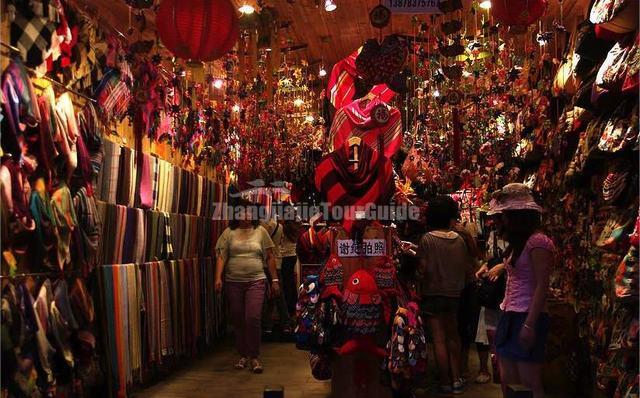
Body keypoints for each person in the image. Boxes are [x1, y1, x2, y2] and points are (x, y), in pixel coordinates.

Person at [491, 184, 555, 398]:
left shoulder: (539, 241)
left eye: (506, 214)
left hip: (527, 315)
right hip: (510, 312)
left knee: (529, 380)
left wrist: (530, 323)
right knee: (509, 377)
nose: (503, 219)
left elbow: (541, 285)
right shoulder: (520, 243)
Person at [418, 195, 475, 396]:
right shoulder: (459, 239)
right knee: (453, 336)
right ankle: (457, 379)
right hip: (454, 295)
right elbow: (468, 268)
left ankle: (444, 381)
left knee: (439, 339)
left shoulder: (427, 239)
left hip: (432, 294)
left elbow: (422, 269)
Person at [214, 203, 280, 373]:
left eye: (250, 211)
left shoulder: (261, 231)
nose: (247, 214)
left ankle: (254, 357)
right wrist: (218, 278)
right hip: (233, 281)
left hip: (256, 281)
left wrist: (274, 280)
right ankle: (242, 355)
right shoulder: (229, 233)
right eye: (243, 211)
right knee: (238, 319)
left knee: (253, 318)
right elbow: (221, 256)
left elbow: (270, 256)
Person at [473, 204, 507, 384]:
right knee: (485, 329)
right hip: (493, 289)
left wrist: (503, 267)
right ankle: (485, 368)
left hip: (509, 290)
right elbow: (489, 259)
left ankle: (501, 370)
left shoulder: (519, 238)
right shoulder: (493, 235)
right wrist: (484, 267)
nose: (495, 221)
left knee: (503, 330)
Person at [261, 217, 292, 336]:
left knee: (267, 295)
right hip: (278, 261)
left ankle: (268, 324)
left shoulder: (262, 227)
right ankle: (285, 323)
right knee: (279, 294)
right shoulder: (279, 226)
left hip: (265, 263)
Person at [280, 219, 301, 316]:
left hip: (284, 257)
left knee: (286, 285)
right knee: (291, 283)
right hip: (292, 256)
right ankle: (294, 307)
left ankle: (289, 309)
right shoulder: (295, 226)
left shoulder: (283, 227)